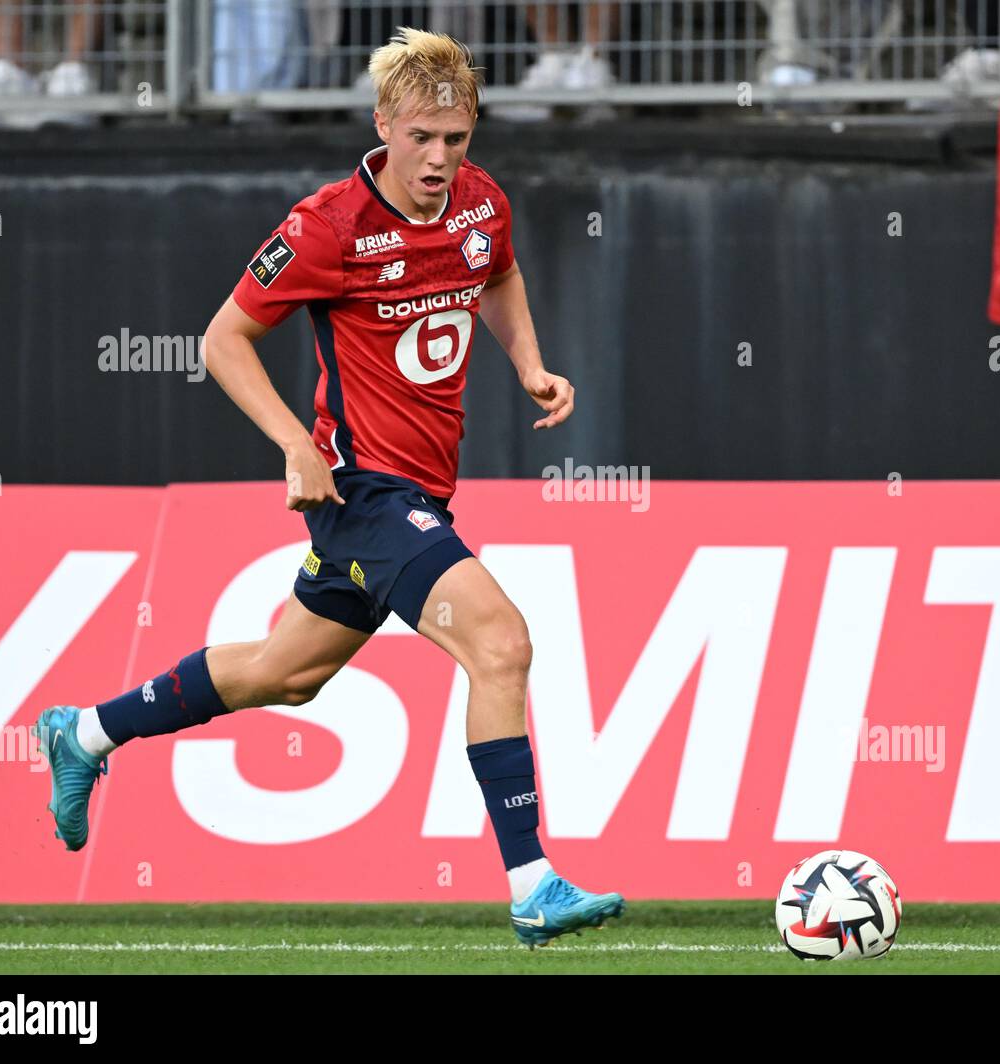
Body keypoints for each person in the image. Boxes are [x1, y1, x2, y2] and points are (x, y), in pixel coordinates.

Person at [32, 25, 625, 949]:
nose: (438, 158)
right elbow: (222, 339)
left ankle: (88, 733)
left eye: (456, 138)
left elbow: (497, 273)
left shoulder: (481, 205)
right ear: (383, 123)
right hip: (368, 495)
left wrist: (531, 365)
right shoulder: (325, 226)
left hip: (418, 490)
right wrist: (293, 446)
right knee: (501, 644)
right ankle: (533, 883)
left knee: (287, 672)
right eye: (421, 137)